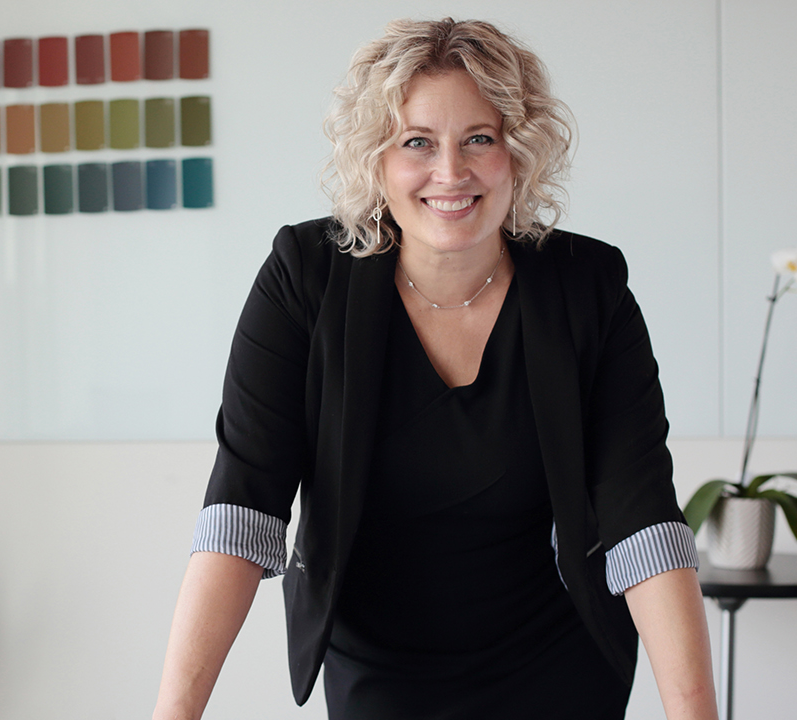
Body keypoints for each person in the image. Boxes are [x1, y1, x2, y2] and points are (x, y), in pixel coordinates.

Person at [153, 18, 717, 720]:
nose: (451, 172)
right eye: (417, 141)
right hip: (380, 666)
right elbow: (244, 504)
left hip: (558, 662)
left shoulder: (588, 288)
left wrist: (695, 712)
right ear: (376, 158)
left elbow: (643, 520)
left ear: (518, 151)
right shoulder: (305, 279)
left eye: (479, 138)